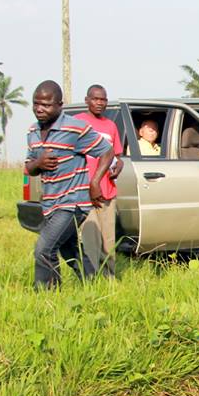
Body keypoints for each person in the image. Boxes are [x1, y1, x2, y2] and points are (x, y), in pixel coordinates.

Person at [25, 80, 113, 289]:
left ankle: (48, 297)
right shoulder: (33, 131)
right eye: (36, 103)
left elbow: (106, 151)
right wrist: (39, 163)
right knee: (70, 249)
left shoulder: (75, 128)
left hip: (73, 202)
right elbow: (29, 168)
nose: (39, 109)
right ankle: (93, 284)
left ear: (59, 105)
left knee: (44, 249)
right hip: (50, 203)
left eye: (46, 105)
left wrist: (94, 182)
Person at [74, 85, 123, 278]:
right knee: (89, 239)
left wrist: (120, 166)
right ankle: (91, 278)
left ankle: (109, 277)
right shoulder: (77, 122)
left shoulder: (110, 126)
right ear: (87, 100)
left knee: (108, 239)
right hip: (84, 191)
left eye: (103, 99)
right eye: (95, 99)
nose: (100, 103)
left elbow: (116, 155)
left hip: (107, 190)